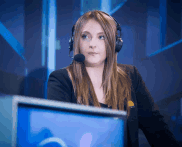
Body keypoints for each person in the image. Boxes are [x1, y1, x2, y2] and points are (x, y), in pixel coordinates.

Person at [47, 10, 180, 147]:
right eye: (85, 36)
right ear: (75, 42)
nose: (92, 44)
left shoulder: (131, 76)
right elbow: (59, 131)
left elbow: (156, 128)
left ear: (115, 43)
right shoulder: (61, 79)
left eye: (101, 37)